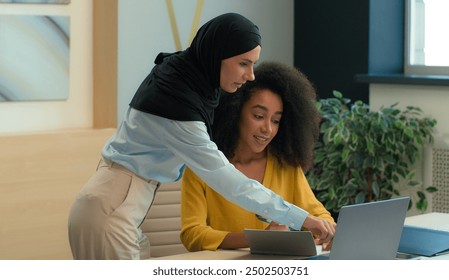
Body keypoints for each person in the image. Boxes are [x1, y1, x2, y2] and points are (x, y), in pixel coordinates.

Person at [68, 13, 334, 260]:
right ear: (217, 55)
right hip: (113, 209)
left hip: (118, 203)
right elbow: (229, 182)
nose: (250, 75)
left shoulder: (180, 77)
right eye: (243, 63)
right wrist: (301, 219)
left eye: (253, 64)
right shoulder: (178, 106)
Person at [180, 61, 335, 252]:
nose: (268, 129)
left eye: (276, 120)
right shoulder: (202, 168)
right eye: (259, 116)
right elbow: (192, 234)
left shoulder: (285, 165)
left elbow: (318, 215)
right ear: (235, 112)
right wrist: (257, 239)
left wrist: (326, 229)